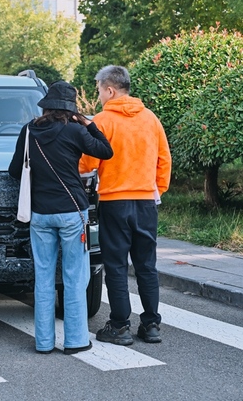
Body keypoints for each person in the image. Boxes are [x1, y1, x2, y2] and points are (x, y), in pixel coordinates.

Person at [9, 81, 113, 355]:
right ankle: (76, 340)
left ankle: (43, 343)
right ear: (70, 108)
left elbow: (14, 171)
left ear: (46, 105)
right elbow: (106, 151)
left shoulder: (29, 130)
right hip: (72, 213)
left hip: (40, 215)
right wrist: (88, 123)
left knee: (43, 277)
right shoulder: (76, 130)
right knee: (74, 277)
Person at [79, 65, 171, 346]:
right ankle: (151, 324)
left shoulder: (103, 121)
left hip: (114, 202)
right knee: (146, 265)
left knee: (117, 265)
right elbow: (164, 161)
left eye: (98, 91)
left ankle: (120, 325)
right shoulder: (150, 119)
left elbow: (88, 164)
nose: (98, 97)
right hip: (146, 202)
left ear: (110, 89)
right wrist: (156, 189)